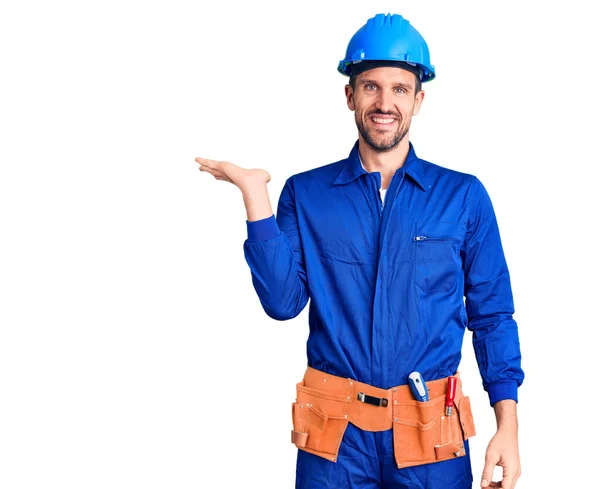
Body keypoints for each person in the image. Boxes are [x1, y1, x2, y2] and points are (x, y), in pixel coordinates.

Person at [195, 12, 524, 489]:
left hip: (430, 438)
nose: (384, 102)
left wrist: (508, 426)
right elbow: (282, 303)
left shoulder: (463, 197)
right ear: (349, 94)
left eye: (399, 88)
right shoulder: (307, 194)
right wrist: (255, 200)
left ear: (419, 99)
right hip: (335, 440)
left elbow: (493, 315)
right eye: (370, 86)